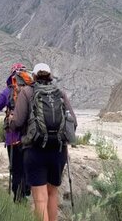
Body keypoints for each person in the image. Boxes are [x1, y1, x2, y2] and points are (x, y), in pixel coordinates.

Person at [10, 63, 77, 221]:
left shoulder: (27, 92)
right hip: (58, 151)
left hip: (35, 151)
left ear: (33, 76)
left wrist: (10, 121)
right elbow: (73, 123)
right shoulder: (60, 93)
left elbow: (17, 123)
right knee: (52, 194)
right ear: (50, 75)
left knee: (40, 199)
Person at [0, 63, 33, 202]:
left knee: (16, 169)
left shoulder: (9, 90)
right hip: (31, 136)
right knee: (27, 166)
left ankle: (18, 199)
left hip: (13, 137)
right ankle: (26, 191)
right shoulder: (33, 90)